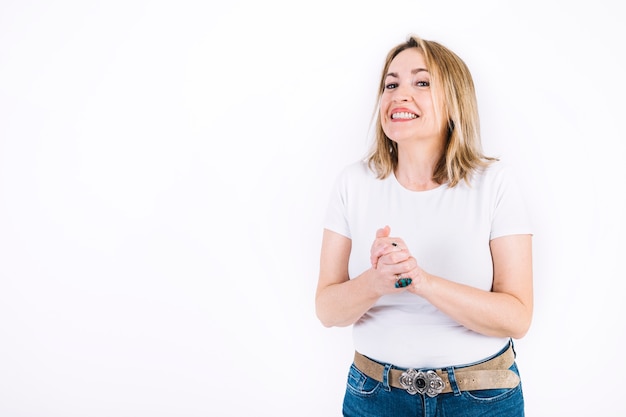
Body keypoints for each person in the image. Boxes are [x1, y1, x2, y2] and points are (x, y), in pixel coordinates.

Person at [315, 34, 533, 417]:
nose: (399, 94)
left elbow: (516, 317)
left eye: (422, 82)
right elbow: (327, 310)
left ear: (455, 102)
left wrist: (420, 281)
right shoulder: (353, 183)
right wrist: (376, 282)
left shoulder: (495, 183)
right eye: (391, 84)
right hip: (374, 398)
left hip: (482, 399)